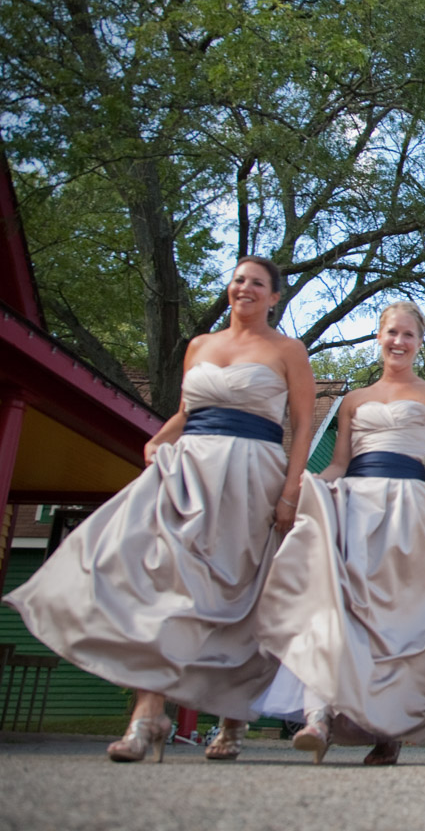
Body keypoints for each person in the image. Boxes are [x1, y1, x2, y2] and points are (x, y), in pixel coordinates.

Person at [4, 256, 314, 761]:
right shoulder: (200, 346)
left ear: (274, 297)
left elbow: (302, 426)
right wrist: (160, 438)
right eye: (238, 280)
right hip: (188, 471)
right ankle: (147, 715)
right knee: (167, 582)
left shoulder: (287, 350)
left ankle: (232, 720)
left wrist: (290, 491)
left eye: (257, 283)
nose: (245, 288)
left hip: (250, 477)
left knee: (239, 597)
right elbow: (187, 412)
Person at [253, 301, 425, 765]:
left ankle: (387, 730)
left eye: (408, 335)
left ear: (419, 342)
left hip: (409, 512)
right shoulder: (355, 400)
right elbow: (338, 462)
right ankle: (318, 715)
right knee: (336, 608)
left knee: (397, 623)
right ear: (379, 337)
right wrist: (307, 489)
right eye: (392, 332)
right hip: (355, 507)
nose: (399, 342)